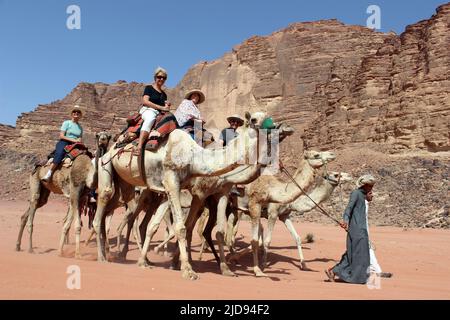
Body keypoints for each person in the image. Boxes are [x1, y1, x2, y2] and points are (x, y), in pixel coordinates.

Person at [325, 174, 377, 284]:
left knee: (357, 253)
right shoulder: (356, 193)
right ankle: (350, 276)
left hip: (362, 230)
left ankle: (333, 271)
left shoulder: (363, 196)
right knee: (357, 254)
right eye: (370, 186)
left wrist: (367, 199)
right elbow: (349, 208)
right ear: (365, 185)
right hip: (356, 230)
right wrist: (345, 220)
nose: (371, 188)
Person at [42, 105, 84, 182]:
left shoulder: (80, 127)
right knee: (60, 153)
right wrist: (73, 140)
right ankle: (49, 172)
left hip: (75, 144)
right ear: (72, 113)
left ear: (80, 115)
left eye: (78, 112)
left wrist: (78, 142)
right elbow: (61, 136)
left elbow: (80, 138)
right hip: (64, 142)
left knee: (86, 155)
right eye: (74, 111)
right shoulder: (66, 123)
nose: (76, 113)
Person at [135, 67, 171, 155]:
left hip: (159, 113)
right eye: (159, 77)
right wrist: (161, 107)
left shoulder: (164, 95)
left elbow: (164, 108)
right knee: (150, 118)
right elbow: (145, 101)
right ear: (155, 77)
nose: (161, 79)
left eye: (164, 78)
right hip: (148, 110)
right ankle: (139, 147)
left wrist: (167, 107)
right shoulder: (149, 88)